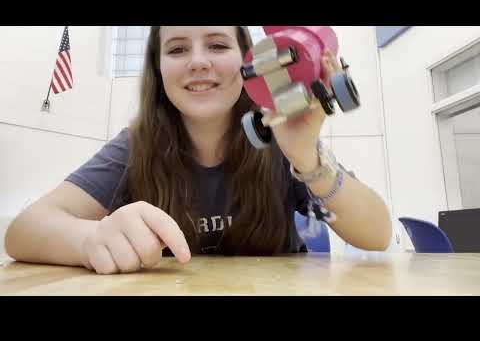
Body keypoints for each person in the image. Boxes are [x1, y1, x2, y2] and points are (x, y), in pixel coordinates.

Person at [5, 26, 392, 274]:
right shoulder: (134, 147)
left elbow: (377, 235)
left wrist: (306, 157)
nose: (198, 62)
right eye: (176, 50)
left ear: (249, 62)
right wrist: (91, 240)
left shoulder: (280, 139)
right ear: (158, 70)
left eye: (218, 44)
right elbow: (23, 232)